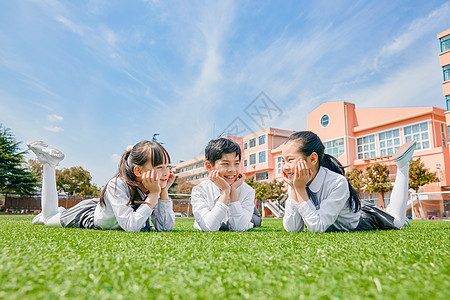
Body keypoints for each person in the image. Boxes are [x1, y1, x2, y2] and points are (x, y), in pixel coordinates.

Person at [282, 131, 415, 233]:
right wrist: (294, 189)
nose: (285, 167)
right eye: (283, 161)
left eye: (290, 160)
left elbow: (318, 227)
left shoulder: (337, 182)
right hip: (347, 208)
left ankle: (402, 165)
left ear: (312, 159)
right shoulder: (296, 182)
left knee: (398, 222)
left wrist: (299, 190)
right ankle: (389, 212)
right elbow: (292, 229)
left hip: (363, 220)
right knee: (392, 216)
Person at [28, 140, 175, 232]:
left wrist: (163, 192)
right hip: (88, 215)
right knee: (48, 218)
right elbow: (131, 226)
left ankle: (60, 211)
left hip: (106, 207)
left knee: (55, 215)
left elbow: (166, 227)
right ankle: (49, 163)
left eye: (167, 166)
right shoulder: (117, 185)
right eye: (159, 167)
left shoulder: (152, 187)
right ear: (138, 171)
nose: (165, 172)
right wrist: (154, 194)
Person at [190, 138, 261, 232]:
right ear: (209, 166)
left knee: (256, 221)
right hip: (225, 215)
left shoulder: (248, 190)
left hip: (251, 215)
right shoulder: (199, 190)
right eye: (225, 164)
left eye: (236, 163)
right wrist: (225, 192)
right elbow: (209, 228)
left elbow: (240, 228)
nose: (232, 169)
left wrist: (233, 191)